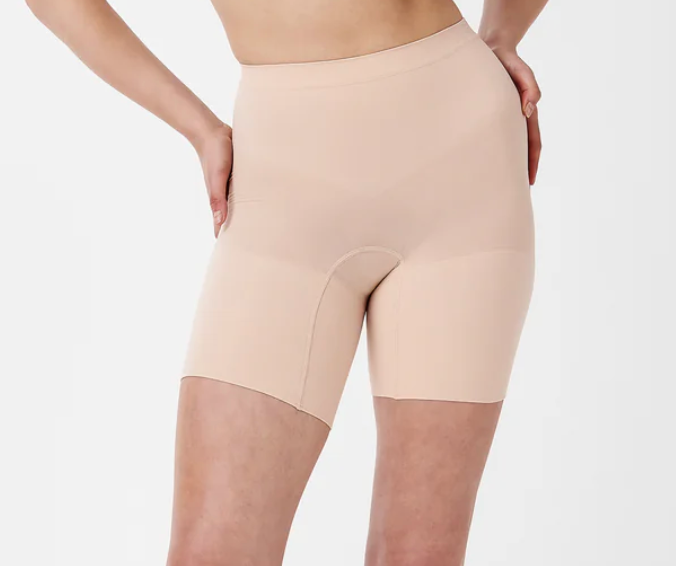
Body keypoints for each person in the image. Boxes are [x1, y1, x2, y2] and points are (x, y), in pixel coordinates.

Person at [26, 0, 546, 563]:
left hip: (460, 163)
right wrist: (198, 127)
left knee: (420, 553)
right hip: (281, 187)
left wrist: (502, 33)